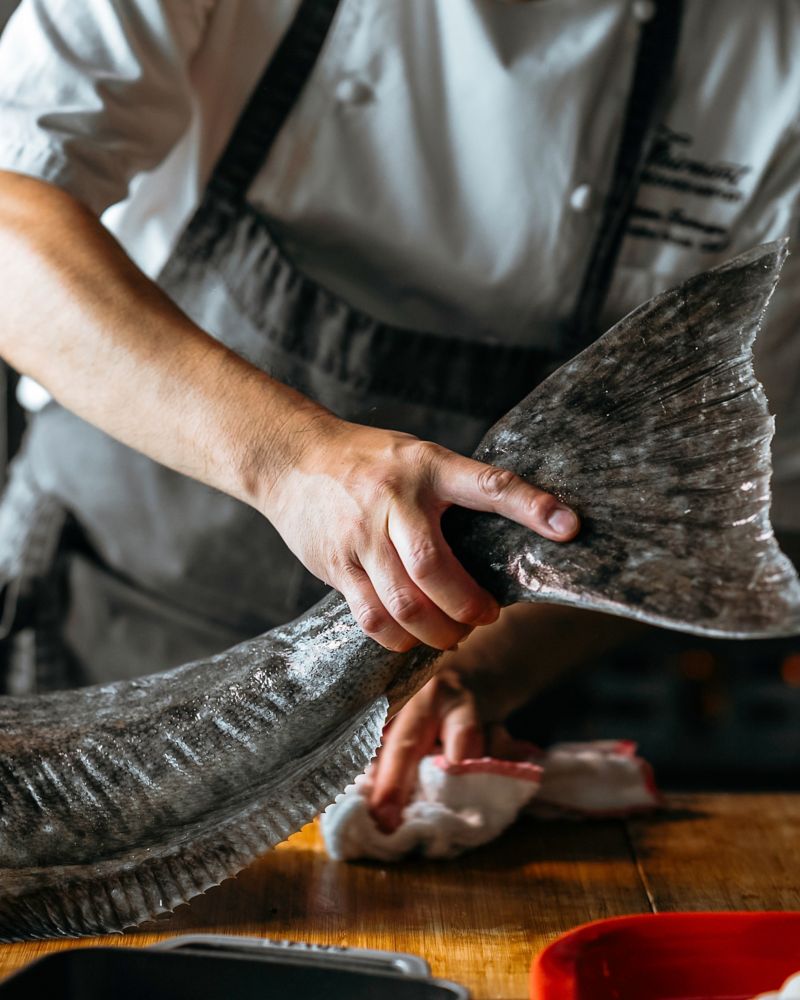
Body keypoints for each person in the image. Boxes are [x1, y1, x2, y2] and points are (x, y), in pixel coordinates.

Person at [0, 0, 797, 835]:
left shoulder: (776, 67)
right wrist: (296, 460)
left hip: (434, 694)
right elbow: (15, 213)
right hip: (109, 619)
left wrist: (472, 675)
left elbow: (703, 506)